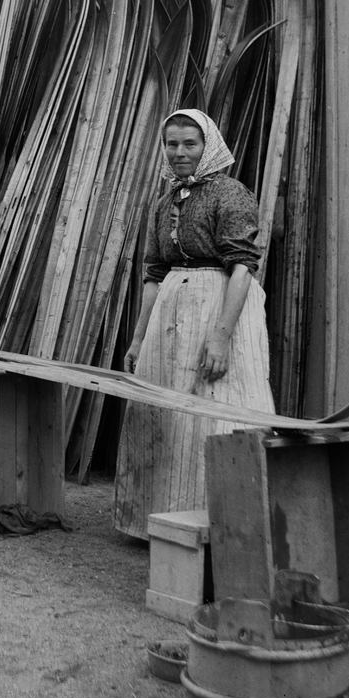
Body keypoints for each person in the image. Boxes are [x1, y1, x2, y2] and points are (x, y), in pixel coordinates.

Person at [114, 109, 276, 540]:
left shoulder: (230, 193)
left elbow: (243, 267)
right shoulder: (164, 202)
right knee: (165, 415)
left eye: (190, 143)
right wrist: (138, 338)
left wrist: (221, 337)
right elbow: (153, 275)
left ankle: (231, 529)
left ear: (209, 147)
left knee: (219, 411)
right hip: (171, 313)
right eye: (172, 144)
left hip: (220, 308)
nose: (180, 152)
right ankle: (161, 524)